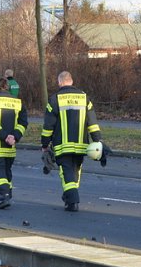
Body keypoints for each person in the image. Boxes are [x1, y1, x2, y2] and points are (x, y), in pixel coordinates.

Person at [41, 71, 102, 212]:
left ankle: (73, 201)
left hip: (63, 145)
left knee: (66, 172)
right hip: (81, 145)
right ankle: (68, 197)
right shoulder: (85, 98)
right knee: (76, 171)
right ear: (72, 81)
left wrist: (45, 144)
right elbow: (92, 123)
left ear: (60, 82)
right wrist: (98, 140)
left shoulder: (54, 99)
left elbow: (48, 126)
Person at [0, 76, 28, 209]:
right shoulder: (18, 102)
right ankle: (7, 195)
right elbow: (23, 123)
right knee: (7, 170)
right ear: (7, 86)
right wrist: (14, 137)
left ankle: (4, 196)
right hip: (11, 146)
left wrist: (4, 136)